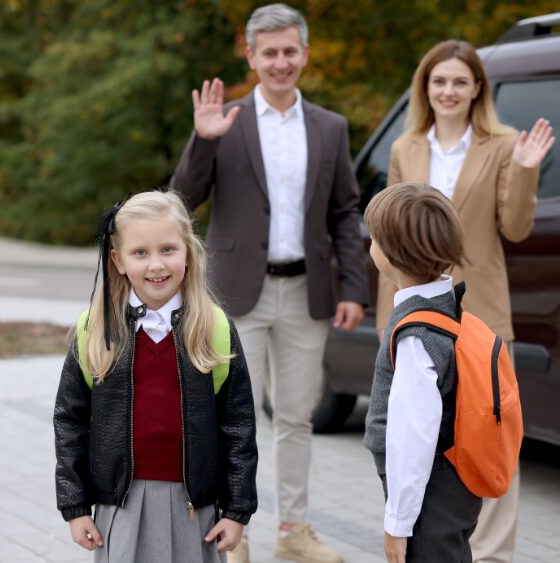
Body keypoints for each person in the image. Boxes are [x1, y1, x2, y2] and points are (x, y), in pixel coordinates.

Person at [171, 4, 368, 563]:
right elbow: (180, 202)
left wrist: (353, 286)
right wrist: (203, 140)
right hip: (237, 295)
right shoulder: (225, 121)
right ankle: (234, 535)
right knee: (234, 417)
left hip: (307, 293)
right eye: (270, 52)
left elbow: (345, 211)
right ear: (251, 56)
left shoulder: (330, 128)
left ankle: (294, 532)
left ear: (304, 54)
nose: (281, 62)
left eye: (290, 51)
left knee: (297, 418)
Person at [374, 39, 555, 563]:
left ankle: (494, 555)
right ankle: (424, 539)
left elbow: (516, 228)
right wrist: (393, 322)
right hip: (418, 316)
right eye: (439, 81)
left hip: (482, 314)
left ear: (478, 88)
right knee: (418, 437)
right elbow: (389, 240)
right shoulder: (405, 148)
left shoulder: (501, 145)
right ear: (424, 88)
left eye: (459, 81)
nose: (448, 90)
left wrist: (524, 168)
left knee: (490, 437)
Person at [53, 190, 258, 563]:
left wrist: (237, 510)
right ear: (117, 260)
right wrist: (76, 505)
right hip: (121, 503)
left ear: (188, 252)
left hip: (195, 505)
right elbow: (70, 422)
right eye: (140, 253)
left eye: (168, 249)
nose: (156, 265)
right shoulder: (95, 331)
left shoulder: (213, 328)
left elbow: (238, 426)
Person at [364, 182, 481, 562]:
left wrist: (397, 525)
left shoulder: (417, 336)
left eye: (374, 239)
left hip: (428, 498)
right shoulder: (446, 305)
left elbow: (411, 438)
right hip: (446, 491)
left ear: (391, 255)